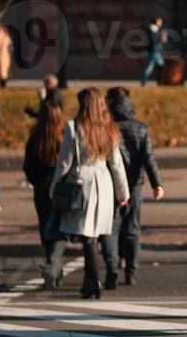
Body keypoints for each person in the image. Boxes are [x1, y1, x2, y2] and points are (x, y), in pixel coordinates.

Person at [51, 87, 130, 299]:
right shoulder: (109, 127)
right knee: (92, 236)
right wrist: (123, 192)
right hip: (104, 184)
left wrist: (55, 186)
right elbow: (117, 163)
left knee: (88, 238)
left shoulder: (74, 126)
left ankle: (93, 281)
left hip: (82, 183)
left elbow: (65, 162)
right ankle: (90, 282)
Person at [106, 87, 165, 287]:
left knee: (112, 228)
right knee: (133, 229)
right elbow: (149, 159)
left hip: (112, 185)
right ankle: (131, 272)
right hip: (136, 184)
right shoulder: (141, 128)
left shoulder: (108, 127)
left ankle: (112, 267)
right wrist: (157, 184)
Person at [23, 98, 65, 290]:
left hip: (41, 187)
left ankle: (52, 263)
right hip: (61, 188)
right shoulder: (64, 136)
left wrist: (36, 181)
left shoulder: (35, 138)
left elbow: (28, 166)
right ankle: (54, 266)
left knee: (46, 227)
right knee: (59, 228)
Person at [140, 17, 166, 87]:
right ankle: (160, 82)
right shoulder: (152, 30)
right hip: (154, 51)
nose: (161, 23)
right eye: (159, 21)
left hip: (154, 51)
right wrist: (161, 38)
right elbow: (152, 41)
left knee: (149, 68)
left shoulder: (155, 30)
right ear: (156, 21)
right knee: (161, 66)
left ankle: (144, 82)